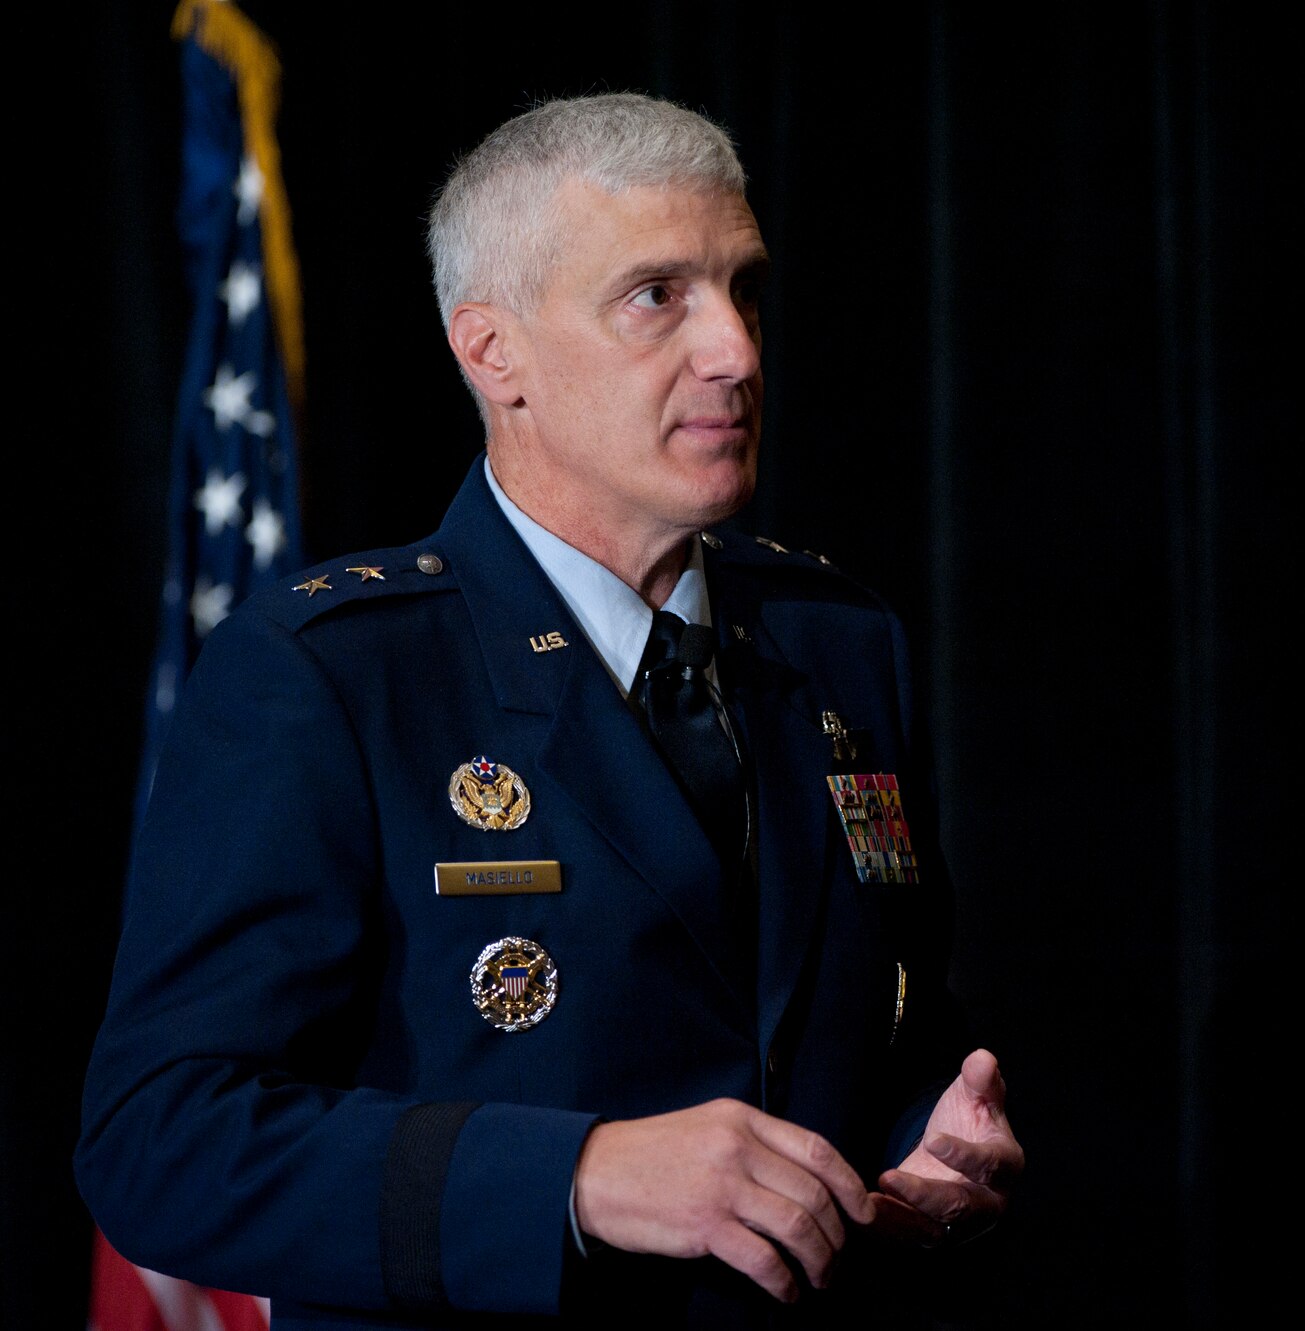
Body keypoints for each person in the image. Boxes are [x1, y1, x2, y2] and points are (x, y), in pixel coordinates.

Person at [76, 93, 1021, 1328]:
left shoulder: (833, 641)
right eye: (656, 297)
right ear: (492, 353)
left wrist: (929, 1141)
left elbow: (876, 1026)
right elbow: (161, 1140)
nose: (734, 349)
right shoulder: (334, 672)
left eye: (743, 289)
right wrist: (574, 1176)